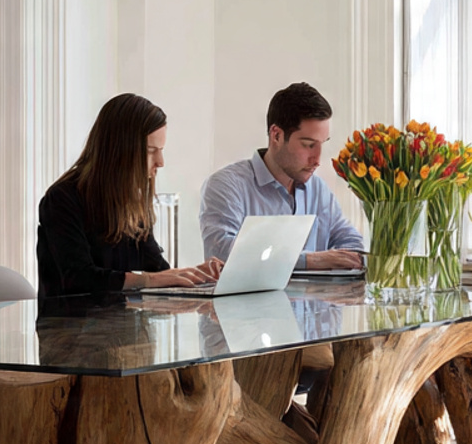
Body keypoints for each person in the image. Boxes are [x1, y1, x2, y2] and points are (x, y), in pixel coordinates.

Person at [36, 93, 223, 300]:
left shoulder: (132, 201)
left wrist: (196, 275)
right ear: (120, 151)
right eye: (151, 151)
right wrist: (148, 280)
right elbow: (78, 279)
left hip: (118, 325)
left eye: (160, 150)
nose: (160, 162)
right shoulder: (61, 199)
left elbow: (157, 269)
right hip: (70, 328)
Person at [200, 82, 365, 271]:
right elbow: (221, 254)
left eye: (322, 144)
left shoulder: (318, 190)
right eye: (308, 144)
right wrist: (310, 261)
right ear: (276, 135)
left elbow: (351, 244)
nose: (317, 159)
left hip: (315, 300)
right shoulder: (226, 186)